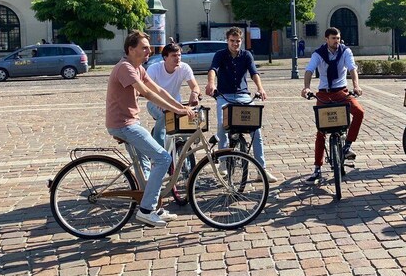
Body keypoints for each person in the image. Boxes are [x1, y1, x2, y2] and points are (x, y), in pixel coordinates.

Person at [106, 30, 196, 228]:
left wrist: (181, 108)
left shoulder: (138, 68)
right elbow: (146, 93)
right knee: (163, 158)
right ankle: (146, 210)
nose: (149, 50)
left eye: (149, 47)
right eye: (144, 47)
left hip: (131, 122)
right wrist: (176, 110)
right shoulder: (125, 67)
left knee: (146, 164)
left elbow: (159, 89)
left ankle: (152, 206)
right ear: (131, 49)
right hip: (123, 125)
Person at [205, 27, 278, 183]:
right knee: (222, 125)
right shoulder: (220, 55)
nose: (235, 44)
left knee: (255, 129)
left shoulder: (246, 55)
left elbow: (253, 73)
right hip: (224, 96)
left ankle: (261, 170)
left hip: (243, 95)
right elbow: (213, 70)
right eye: (232, 41)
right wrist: (211, 84)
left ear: (241, 41)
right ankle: (223, 163)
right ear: (227, 41)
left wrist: (260, 88)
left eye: (238, 41)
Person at [302, 27, 365, 184]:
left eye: (338, 38)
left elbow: (352, 69)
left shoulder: (345, 51)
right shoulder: (318, 53)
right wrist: (306, 87)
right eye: (333, 38)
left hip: (341, 92)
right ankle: (317, 168)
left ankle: (347, 145)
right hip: (324, 93)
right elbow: (309, 70)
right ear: (326, 39)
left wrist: (356, 86)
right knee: (321, 131)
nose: (336, 41)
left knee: (359, 112)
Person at [146, 41, 201, 149]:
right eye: (174, 55)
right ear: (165, 58)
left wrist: (194, 94)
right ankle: (158, 150)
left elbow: (195, 86)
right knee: (164, 116)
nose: (178, 58)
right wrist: (160, 101)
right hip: (155, 103)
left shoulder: (184, 68)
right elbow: (146, 90)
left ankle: (184, 150)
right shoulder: (154, 68)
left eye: (179, 55)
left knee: (188, 120)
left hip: (176, 103)